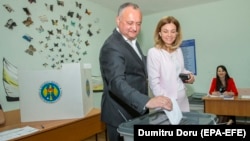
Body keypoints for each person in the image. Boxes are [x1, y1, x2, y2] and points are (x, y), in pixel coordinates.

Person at [99, 3, 173, 141]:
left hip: (134, 109)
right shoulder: (112, 47)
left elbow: (138, 65)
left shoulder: (131, 41)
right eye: (130, 23)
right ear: (118, 20)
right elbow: (116, 83)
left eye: (139, 24)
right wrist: (147, 101)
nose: (135, 28)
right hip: (119, 113)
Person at [147, 16, 195, 112]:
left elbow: (180, 71)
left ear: (177, 33)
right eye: (165, 31)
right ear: (159, 33)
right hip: (166, 103)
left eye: (173, 31)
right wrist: (167, 102)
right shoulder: (154, 52)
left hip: (183, 100)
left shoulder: (178, 50)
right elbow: (154, 83)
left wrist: (190, 76)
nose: (169, 35)